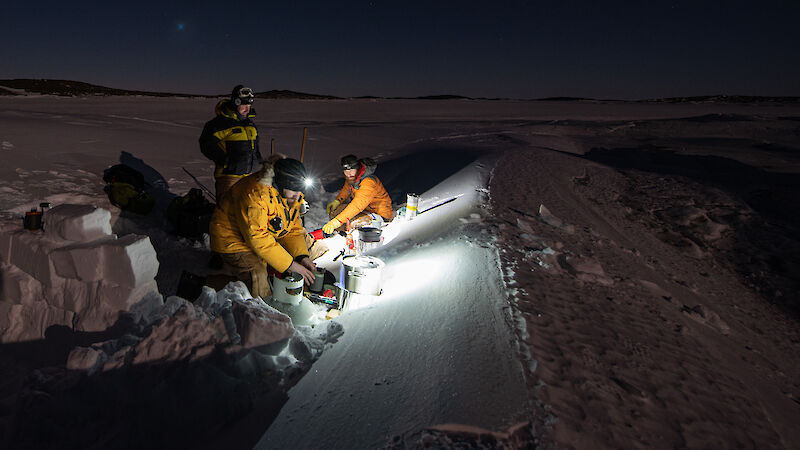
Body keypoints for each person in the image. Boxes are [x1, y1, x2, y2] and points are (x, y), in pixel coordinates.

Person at [209, 156, 315, 299]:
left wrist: (302, 257)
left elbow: (293, 229)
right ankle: (203, 285)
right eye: (294, 191)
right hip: (231, 237)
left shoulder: (291, 194)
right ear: (280, 184)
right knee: (257, 277)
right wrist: (290, 265)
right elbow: (258, 238)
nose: (298, 196)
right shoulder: (255, 194)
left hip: (256, 234)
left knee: (296, 254)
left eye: (299, 191)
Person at [199, 84, 263, 200]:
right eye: (244, 105)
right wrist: (225, 160)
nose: (247, 109)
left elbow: (255, 147)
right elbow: (206, 144)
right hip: (228, 177)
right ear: (236, 102)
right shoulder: (220, 123)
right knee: (227, 212)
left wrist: (259, 161)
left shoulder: (250, 125)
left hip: (249, 176)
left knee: (246, 211)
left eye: (249, 105)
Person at [322, 155, 393, 234]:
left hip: (380, 215)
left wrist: (338, 221)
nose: (349, 173)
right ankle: (339, 233)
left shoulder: (368, 182)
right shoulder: (352, 178)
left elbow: (357, 204)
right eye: (346, 170)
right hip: (365, 210)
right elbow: (346, 189)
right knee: (335, 211)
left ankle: (347, 235)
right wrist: (337, 201)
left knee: (354, 224)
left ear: (358, 168)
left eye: (352, 169)